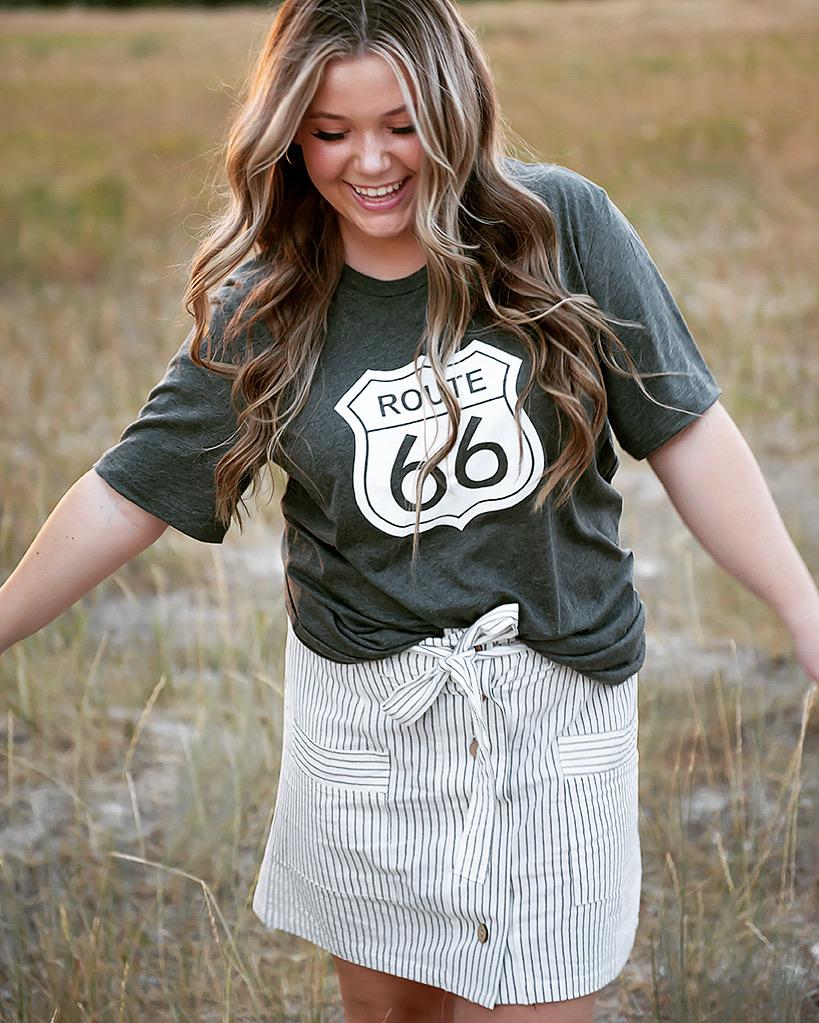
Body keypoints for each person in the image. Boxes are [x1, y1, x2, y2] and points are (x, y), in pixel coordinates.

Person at [1, 1, 817, 1020]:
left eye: (402, 125)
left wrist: (802, 607)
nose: (371, 163)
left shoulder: (561, 230)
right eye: (332, 132)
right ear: (289, 136)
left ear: (457, 108)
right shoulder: (270, 303)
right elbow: (131, 489)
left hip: (550, 715)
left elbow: (688, 433)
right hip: (368, 730)